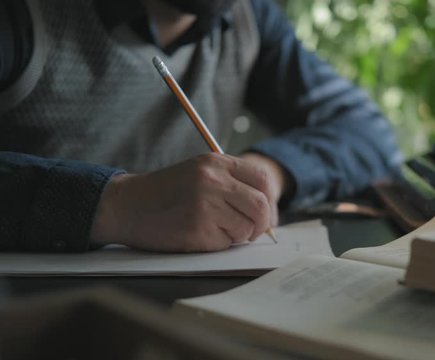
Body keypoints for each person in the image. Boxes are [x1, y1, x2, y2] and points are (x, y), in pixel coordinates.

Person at [0, 0, 402, 253]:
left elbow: (366, 131)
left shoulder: (248, 16)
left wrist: (264, 174)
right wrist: (118, 205)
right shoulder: (22, 16)